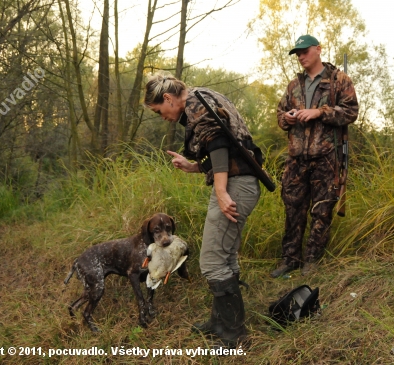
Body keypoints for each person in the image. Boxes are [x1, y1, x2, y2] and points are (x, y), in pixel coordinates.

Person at [144, 73, 262, 347]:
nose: (163, 117)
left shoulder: (195, 102)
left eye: (160, 111)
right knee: (225, 257)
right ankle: (220, 321)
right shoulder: (204, 97)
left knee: (211, 262)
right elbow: (231, 148)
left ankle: (233, 335)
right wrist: (194, 166)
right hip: (239, 181)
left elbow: (219, 144)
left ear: (168, 98)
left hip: (235, 186)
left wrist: (221, 192)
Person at [270, 35, 359, 278]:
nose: (300, 56)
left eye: (304, 51)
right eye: (297, 53)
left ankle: (311, 261)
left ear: (318, 50)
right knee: (293, 209)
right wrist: (286, 118)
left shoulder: (339, 80)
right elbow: (279, 113)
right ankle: (290, 259)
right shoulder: (293, 85)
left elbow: (351, 112)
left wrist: (319, 112)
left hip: (326, 158)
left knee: (321, 211)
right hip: (296, 158)